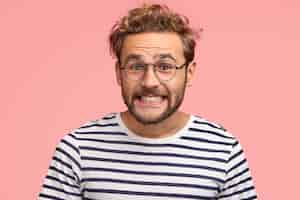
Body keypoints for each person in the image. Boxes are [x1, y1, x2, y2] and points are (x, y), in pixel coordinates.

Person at [38, 4, 257, 200]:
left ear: (189, 73)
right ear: (118, 73)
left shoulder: (223, 150)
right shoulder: (77, 150)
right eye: (136, 66)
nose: (150, 82)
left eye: (165, 66)